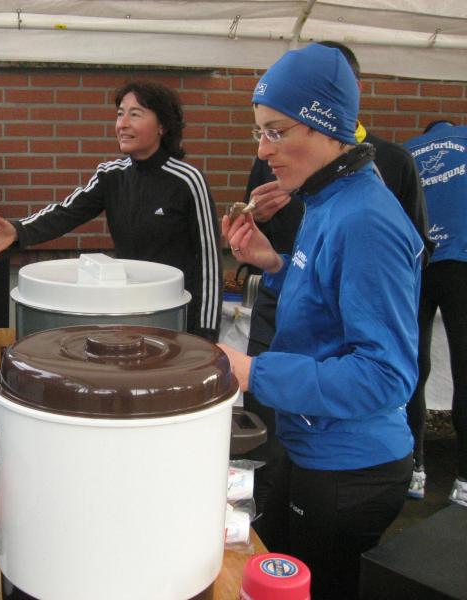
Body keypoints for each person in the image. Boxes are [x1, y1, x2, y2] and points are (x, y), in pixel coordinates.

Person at [220, 43, 423, 600]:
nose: (263, 150)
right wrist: (274, 264)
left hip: (351, 467)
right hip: (310, 442)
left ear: (327, 126)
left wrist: (252, 373)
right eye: (259, 131)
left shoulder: (365, 219)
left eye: (277, 131)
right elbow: (329, 294)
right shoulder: (327, 197)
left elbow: (385, 375)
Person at [0, 80, 222, 340]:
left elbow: (209, 263)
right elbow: (65, 213)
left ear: (162, 126)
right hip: (128, 313)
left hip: (174, 318)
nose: (123, 124)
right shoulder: (111, 175)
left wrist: (205, 335)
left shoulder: (187, 180)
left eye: (135, 114)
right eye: (120, 114)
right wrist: (17, 231)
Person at [403, 119, 467, 507]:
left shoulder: (406, 150)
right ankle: (464, 480)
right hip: (462, 262)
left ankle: (414, 468)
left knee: (414, 366)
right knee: (464, 369)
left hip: (418, 262)